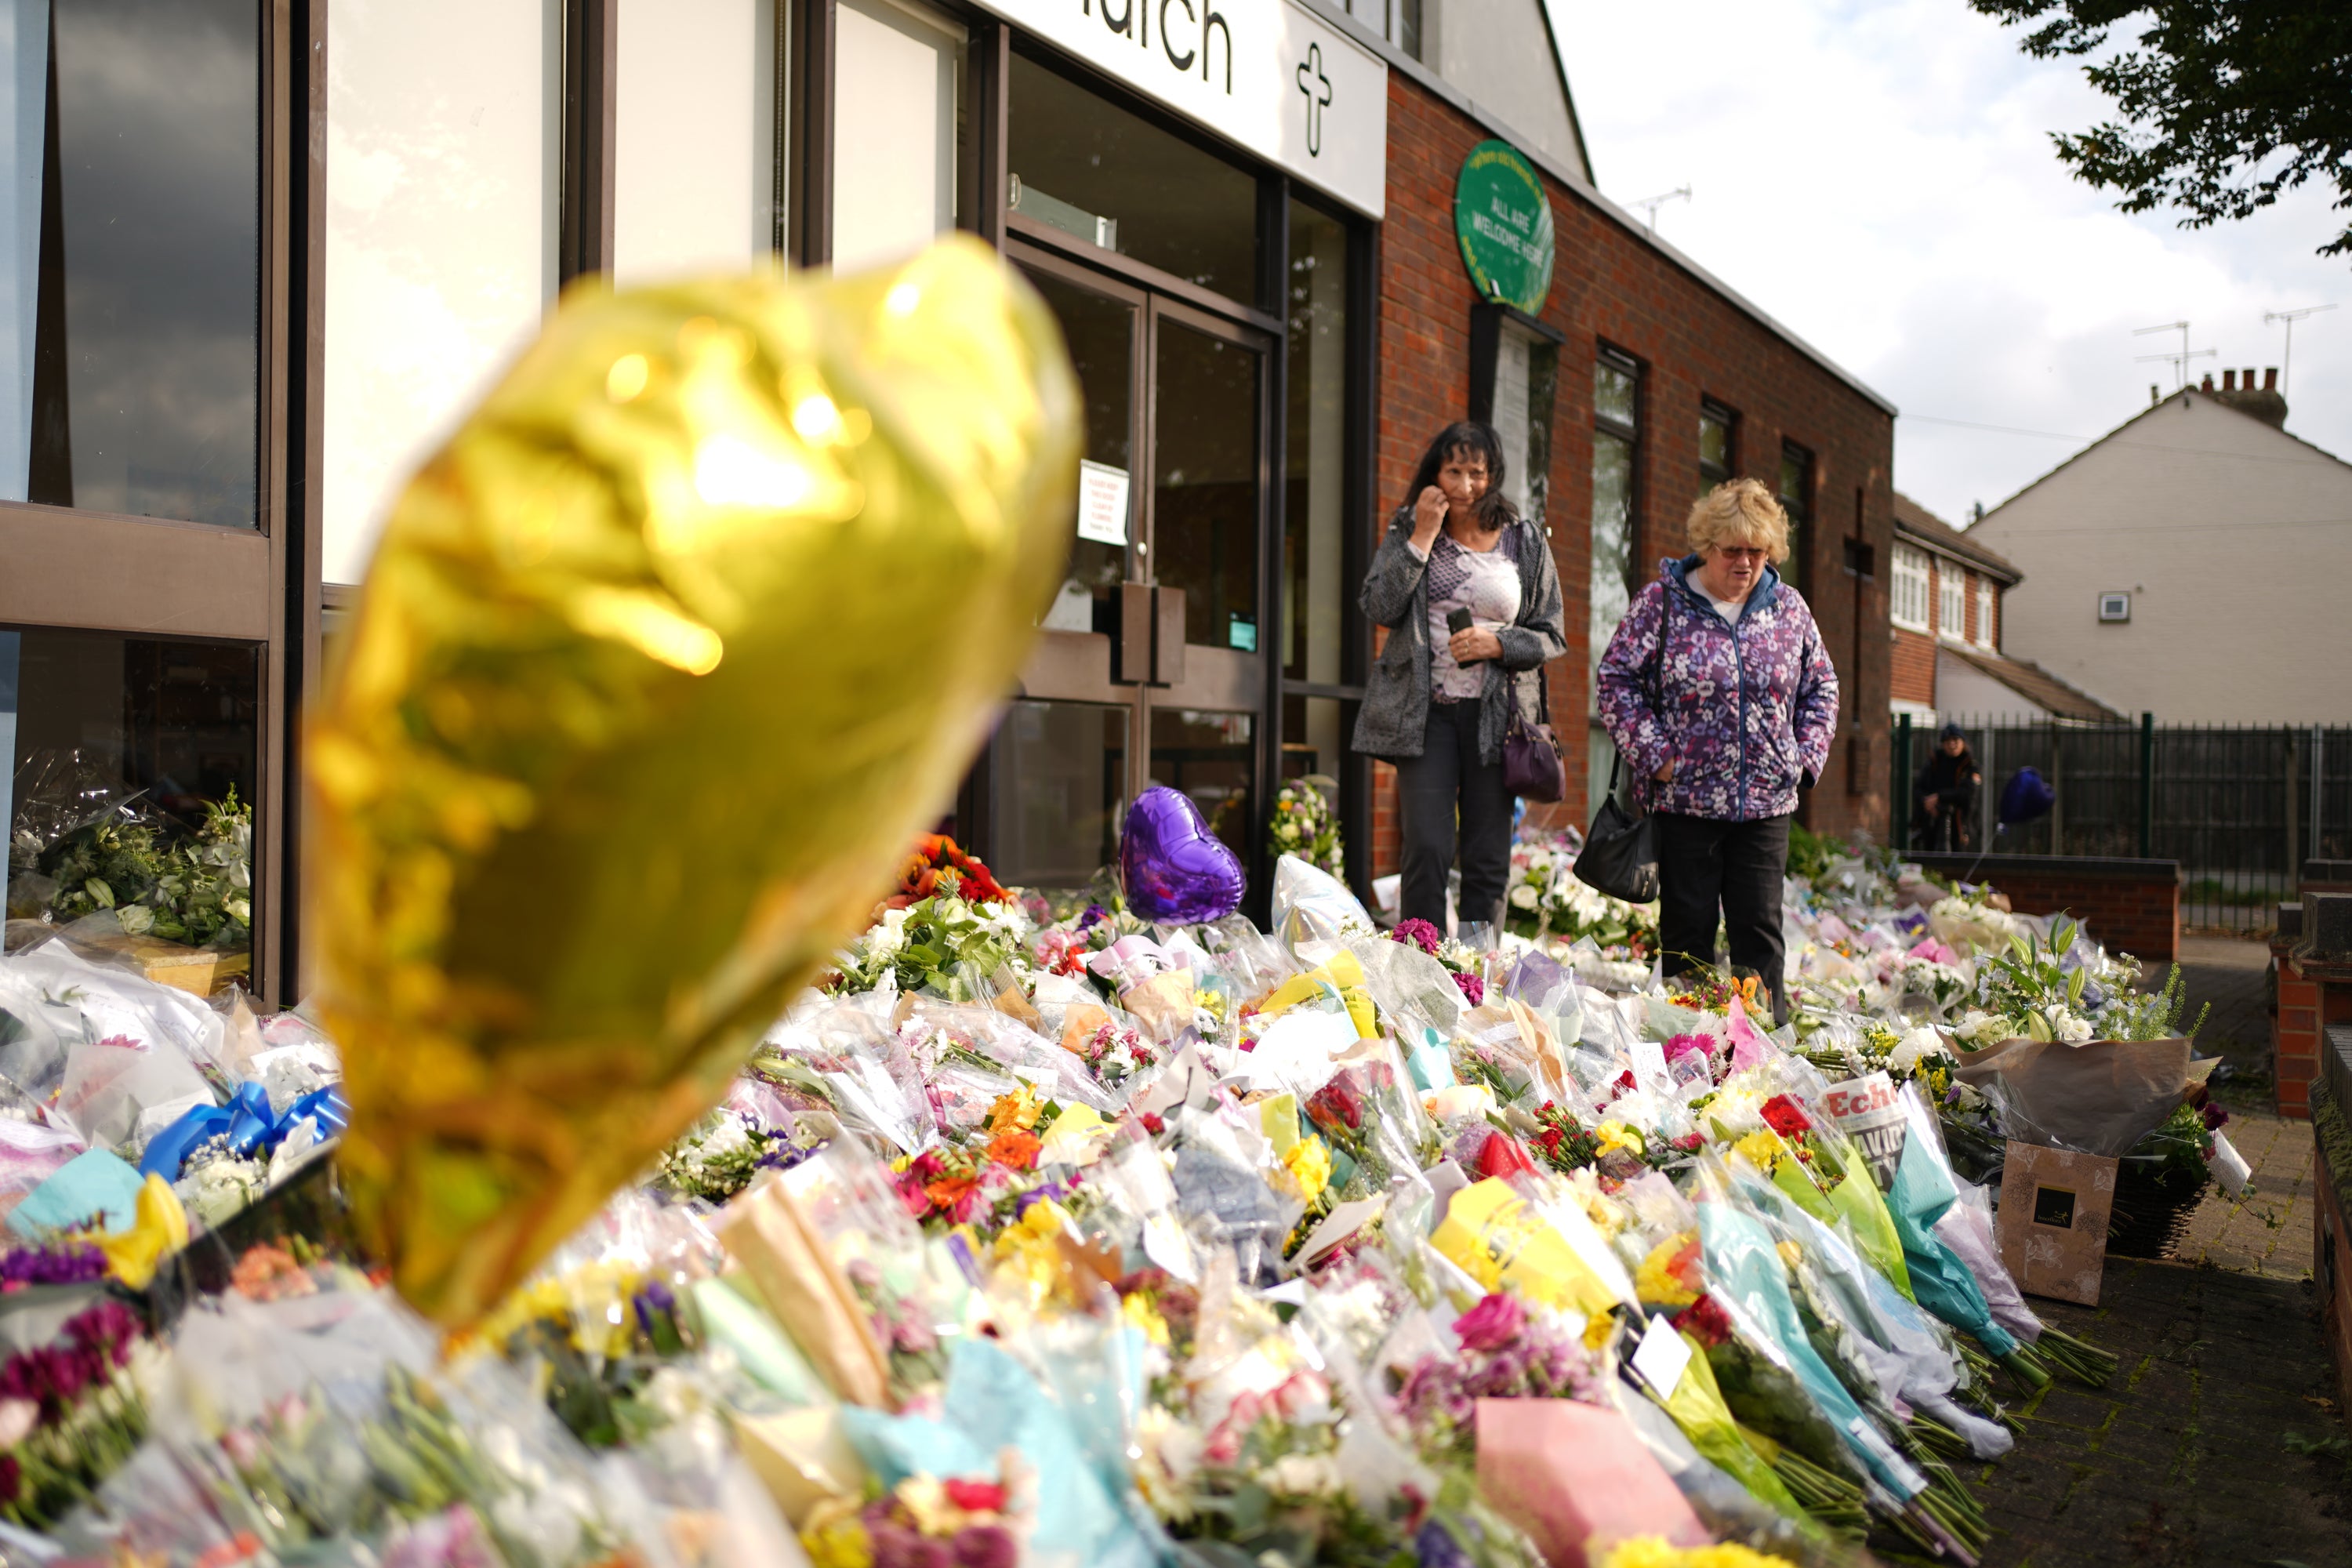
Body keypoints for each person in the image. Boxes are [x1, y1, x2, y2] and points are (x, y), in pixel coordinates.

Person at [1596, 478, 1838, 1022]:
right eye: (1733, 550)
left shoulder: (1789, 610)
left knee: (1759, 935)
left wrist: (1803, 760)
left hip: (1766, 804)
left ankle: (1763, 1055)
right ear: (1707, 545)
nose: (1746, 563)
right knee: (1688, 934)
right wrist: (1657, 755)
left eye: (1758, 551)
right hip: (1685, 803)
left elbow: (1822, 685)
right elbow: (1616, 680)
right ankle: (1689, 1049)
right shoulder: (1662, 604)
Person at [1352, 422, 1567, 931]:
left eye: (1477, 473)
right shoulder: (1410, 525)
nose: (1466, 486)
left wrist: (1499, 643)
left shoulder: (1524, 539)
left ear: (1492, 476)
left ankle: (1476, 979)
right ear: (1436, 473)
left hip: (1500, 722)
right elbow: (1379, 605)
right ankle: (1422, 972)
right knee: (1426, 846)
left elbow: (1552, 634)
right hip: (1427, 716)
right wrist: (1422, 536)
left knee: (1487, 857)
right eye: (1454, 471)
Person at [1912, 723, 1981, 852]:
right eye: (1947, 741)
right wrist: (1927, 802)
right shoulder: (1934, 762)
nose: (1951, 744)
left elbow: (1968, 793)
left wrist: (1939, 797)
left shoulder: (1969, 765)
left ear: (1963, 742)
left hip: (1960, 826)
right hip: (1933, 823)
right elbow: (1919, 788)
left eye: (1955, 740)